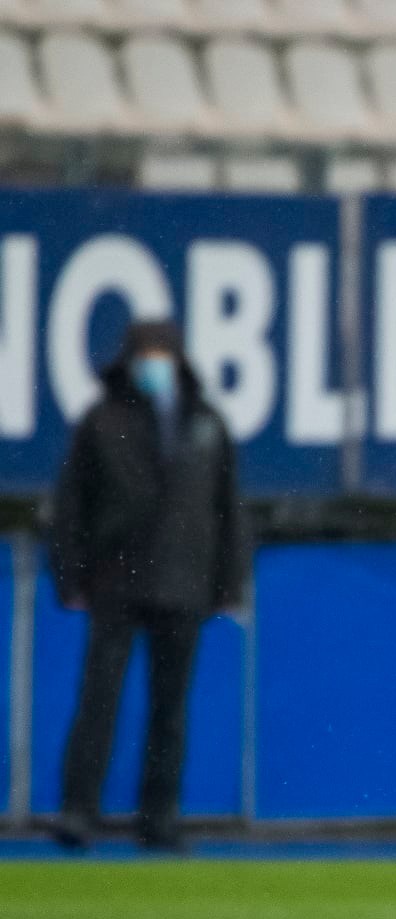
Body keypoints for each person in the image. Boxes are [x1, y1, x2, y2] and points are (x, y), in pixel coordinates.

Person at [47, 319, 248, 855]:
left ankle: (159, 819)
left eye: (162, 354)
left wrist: (229, 582)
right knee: (99, 701)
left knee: (170, 710)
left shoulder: (205, 423)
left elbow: (227, 509)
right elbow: (71, 505)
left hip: (184, 581)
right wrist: (69, 575)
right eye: (146, 354)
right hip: (115, 577)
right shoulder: (102, 420)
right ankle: (78, 811)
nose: (154, 366)